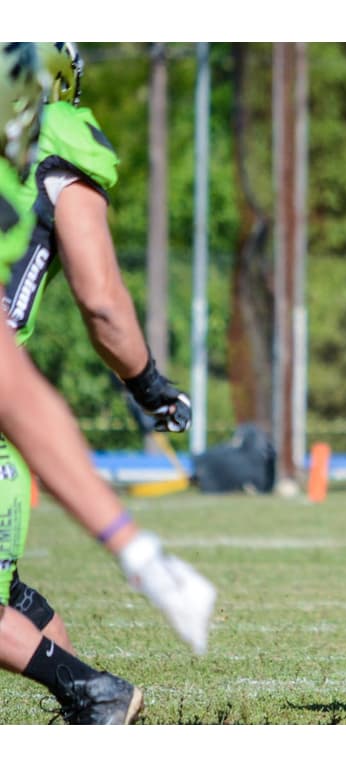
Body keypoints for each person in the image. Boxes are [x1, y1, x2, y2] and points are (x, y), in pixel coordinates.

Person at [0, 42, 215, 725]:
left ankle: (91, 694)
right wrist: (149, 384)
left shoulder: (50, 147)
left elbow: (96, 305)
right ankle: (89, 695)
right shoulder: (49, 143)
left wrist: (133, 544)